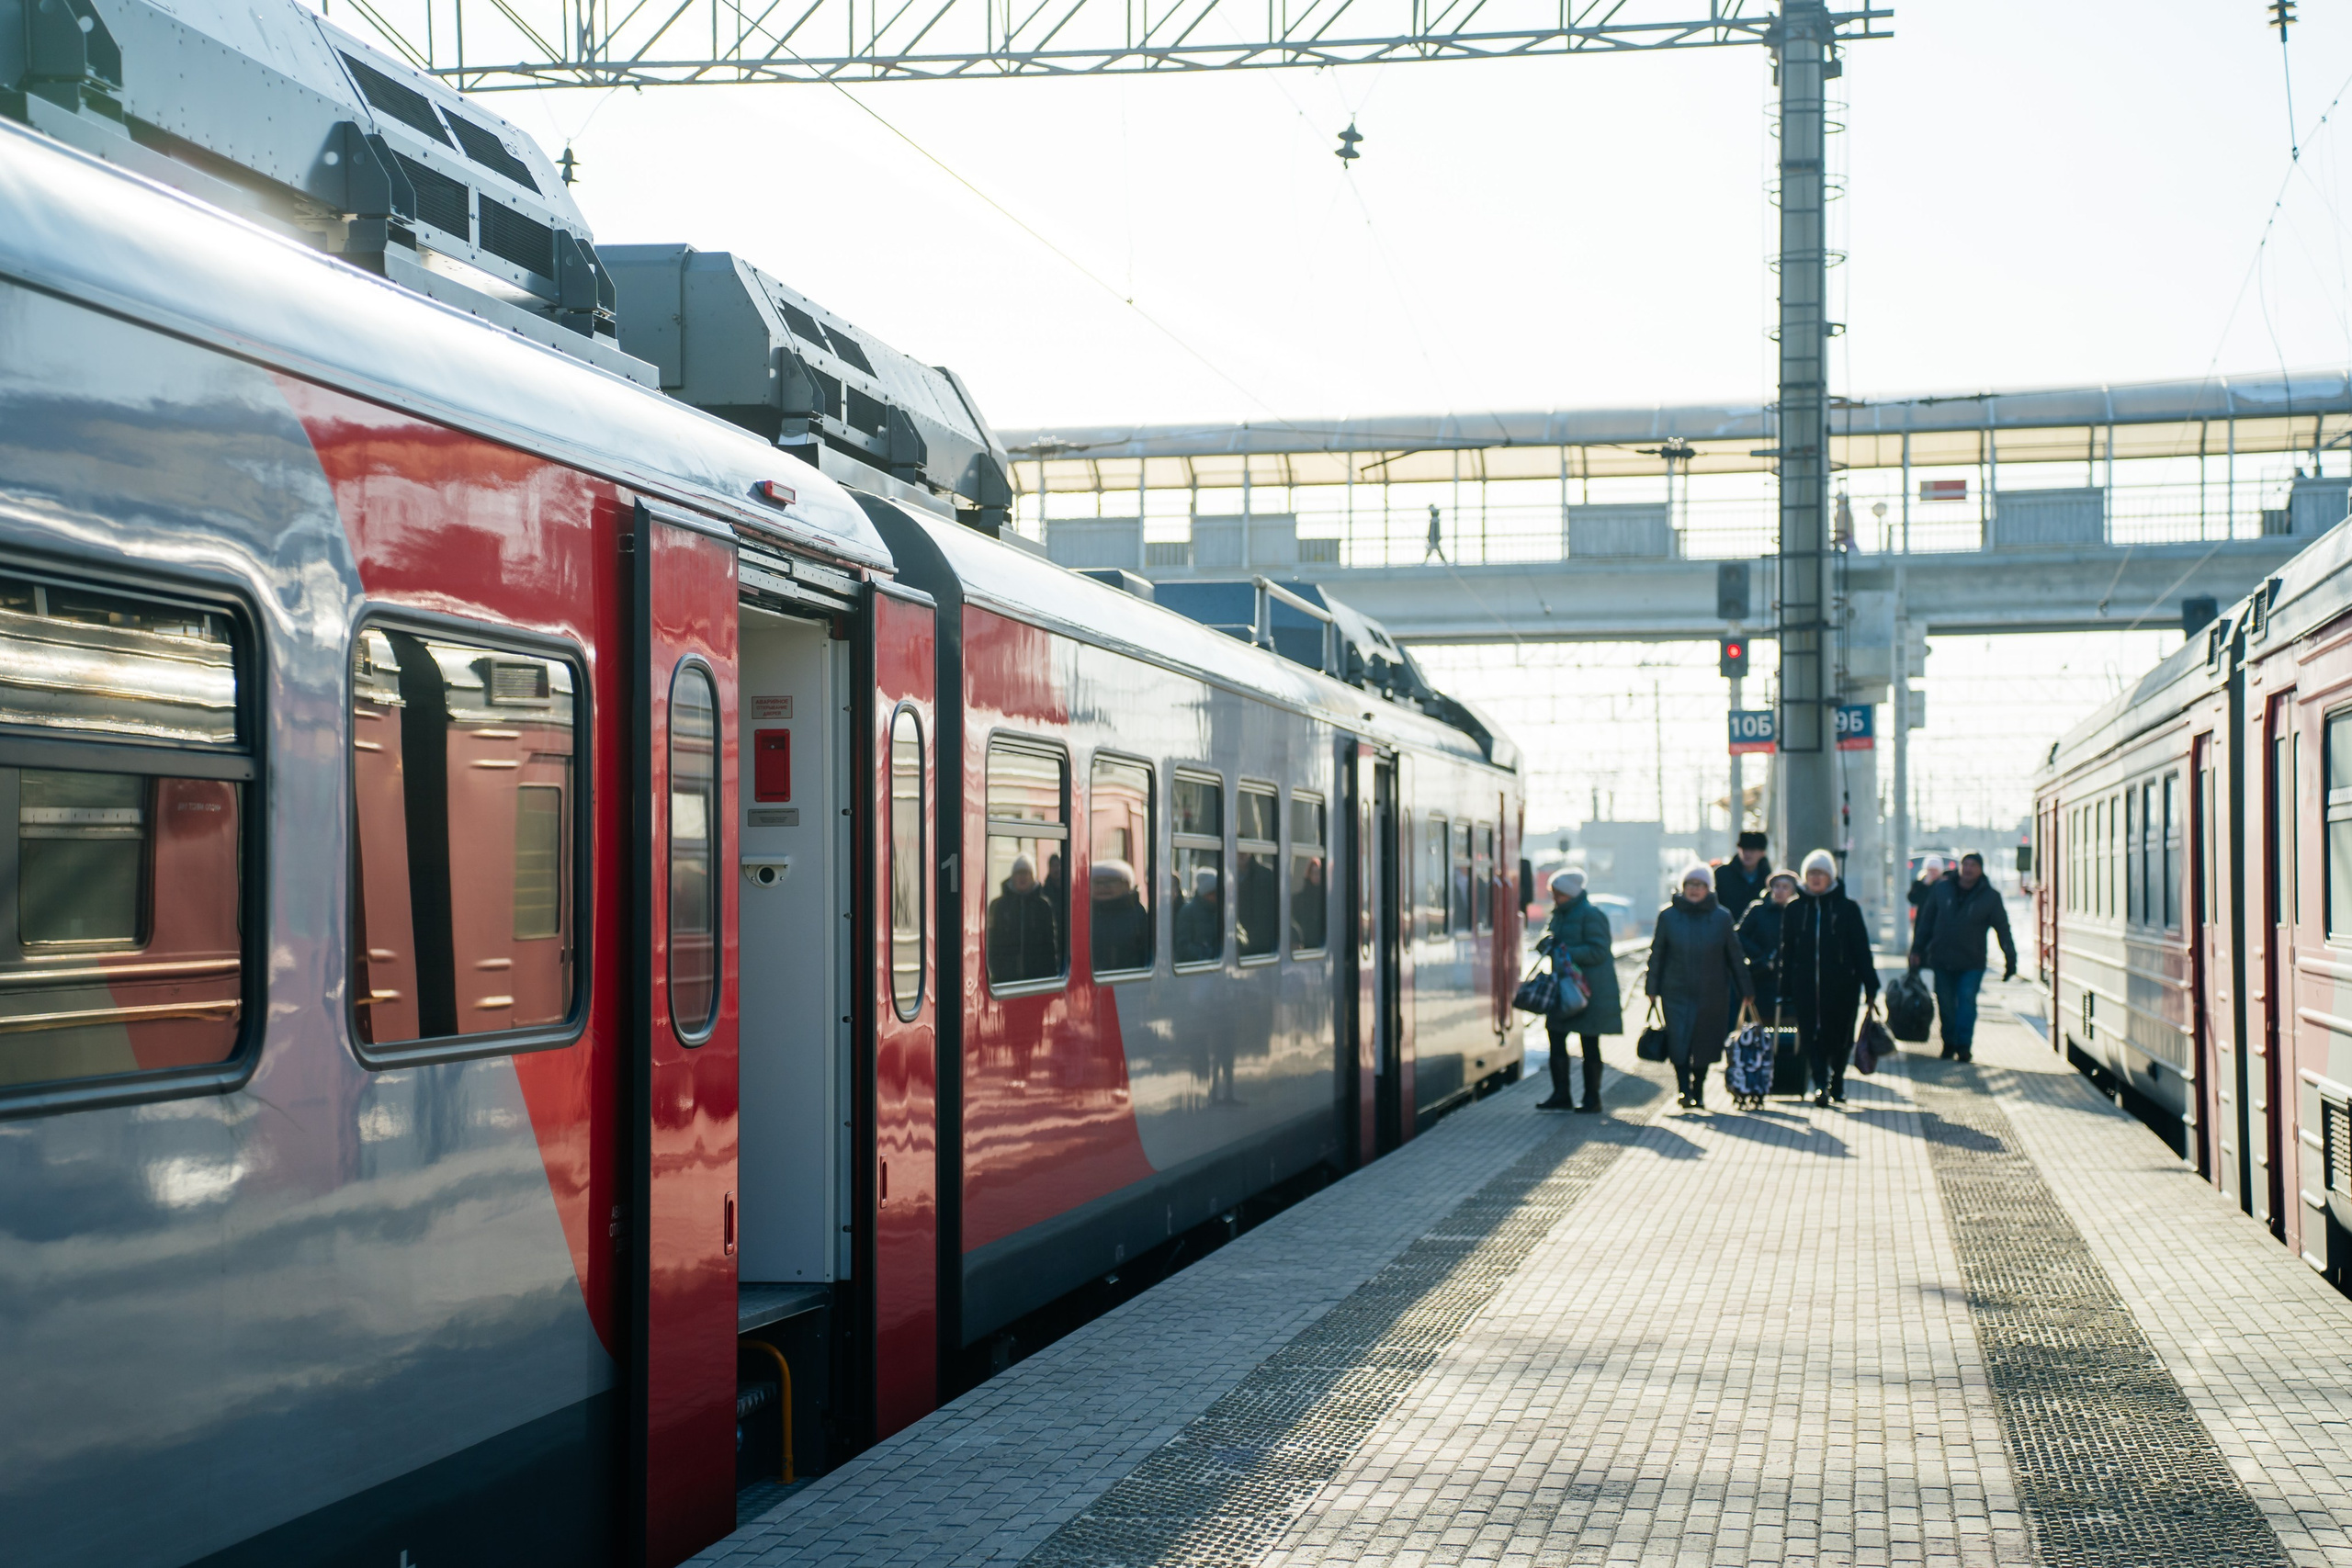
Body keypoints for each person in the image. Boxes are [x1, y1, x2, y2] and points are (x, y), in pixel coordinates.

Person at [1644, 863, 1755, 1110]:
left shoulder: (1721, 917)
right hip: (1675, 991)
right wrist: (1652, 988)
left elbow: (1734, 955)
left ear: (1708, 888)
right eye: (1690, 884)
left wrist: (1746, 989)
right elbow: (1657, 954)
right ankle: (1683, 1089)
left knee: (1705, 1041)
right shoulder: (1668, 916)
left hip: (1712, 992)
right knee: (1678, 1041)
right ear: (1682, 887)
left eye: (1700, 885)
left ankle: (1699, 1089)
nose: (1694, 889)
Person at [1778, 848, 1879, 1106]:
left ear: (1830, 876)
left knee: (1841, 1035)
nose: (1815, 878)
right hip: (1806, 985)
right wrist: (1785, 985)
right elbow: (1787, 951)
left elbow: (1861, 948)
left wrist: (1871, 984)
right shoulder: (1795, 909)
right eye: (1811, 873)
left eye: (1821, 873)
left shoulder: (1847, 908)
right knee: (1811, 1034)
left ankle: (1838, 1080)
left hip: (1843, 986)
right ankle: (1821, 1083)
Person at [1909, 851, 2018, 1062]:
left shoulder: (1990, 897)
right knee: (1946, 1004)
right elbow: (1926, 922)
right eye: (1965, 864)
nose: (1968, 869)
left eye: (1973, 865)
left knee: (1967, 1001)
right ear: (1959, 867)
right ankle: (1948, 1042)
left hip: (1972, 961)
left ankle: (1964, 1045)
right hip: (1942, 959)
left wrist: (2010, 958)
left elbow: (2003, 928)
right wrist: (1917, 950)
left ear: (1980, 869)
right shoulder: (1942, 889)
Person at [1533, 868, 1623, 1113]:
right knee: (1555, 1034)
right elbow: (1551, 935)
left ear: (1570, 894)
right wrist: (1546, 942)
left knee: (1589, 1042)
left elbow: (1599, 950)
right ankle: (1561, 1094)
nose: (1554, 899)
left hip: (1588, 990)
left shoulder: (1591, 915)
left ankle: (1592, 1099)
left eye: (1558, 894)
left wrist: (1565, 950)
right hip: (1564, 988)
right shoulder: (1560, 913)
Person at [1736, 869, 1799, 1022]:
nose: (1780, 891)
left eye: (1785, 887)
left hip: (1791, 977)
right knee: (1761, 1021)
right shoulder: (1758, 910)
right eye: (1776, 886)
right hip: (1763, 975)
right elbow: (1738, 935)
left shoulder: (1798, 912)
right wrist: (1759, 954)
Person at [987, 852, 1059, 984]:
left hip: (1037, 980)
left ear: (1033, 877)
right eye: (1019, 873)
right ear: (1012, 876)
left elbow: (1051, 945)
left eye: (1026, 873)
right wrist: (996, 970)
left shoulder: (1043, 906)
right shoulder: (998, 906)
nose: (1022, 877)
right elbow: (991, 942)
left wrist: (1051, 977)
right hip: (1005, 980)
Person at [1090, 858, 1151, 972]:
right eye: (1097, 882)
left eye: (1109, 882)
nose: (1102, 887)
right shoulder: (1085, 914)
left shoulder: (1138, 913)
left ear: (1127, 885)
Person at [1714, 831, 1773, 921]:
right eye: (1744, 849)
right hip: (1727, 929)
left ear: (1762, 853)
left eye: (1753, 850)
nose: (1747, 854)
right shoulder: (1722, 874)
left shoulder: (1769, 879)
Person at [1174, 866, 1223, 965]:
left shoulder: (1224, 911)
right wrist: (1210, 953)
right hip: (1198, 972)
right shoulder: (1187, 912)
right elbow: (1182, 947)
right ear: (1207, 893)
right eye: (1215, 892)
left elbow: (1241, 936)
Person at [1906, 855, 1945, 929]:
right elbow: (1912, 898)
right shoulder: (1919, 884)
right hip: (1922, 919)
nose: (1933, 873)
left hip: (1938, 921)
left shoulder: (1943, 884)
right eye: (1930, 870)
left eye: (1935, 870)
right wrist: (1925, 885)